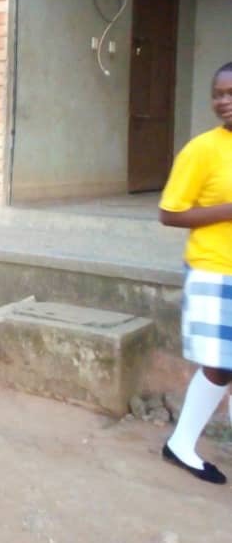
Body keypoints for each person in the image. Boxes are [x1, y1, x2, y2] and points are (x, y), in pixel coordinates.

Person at [159, 61, 232, 486]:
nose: (224, 102)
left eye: (231, 93)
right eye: (218, 94)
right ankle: (181, 444)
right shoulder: (202, 149)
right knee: (220, 366)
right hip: (214, 271)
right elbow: (169, 213)